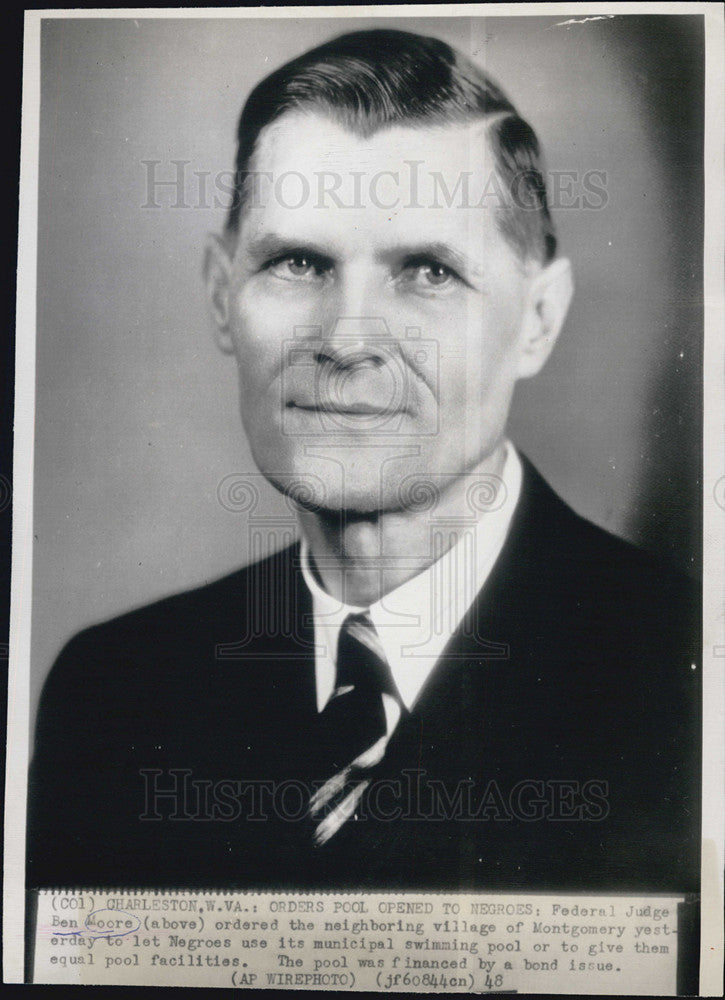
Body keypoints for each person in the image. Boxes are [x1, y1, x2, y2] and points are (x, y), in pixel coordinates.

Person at [27, 28, 700, 893]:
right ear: (220, 294)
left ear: (537, 319)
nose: (346, 340)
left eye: (425, 272)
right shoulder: (115, 695)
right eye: (298, 262)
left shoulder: (683, 678)